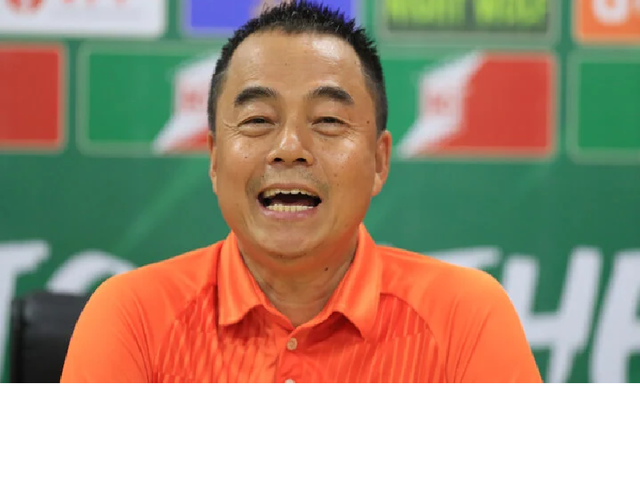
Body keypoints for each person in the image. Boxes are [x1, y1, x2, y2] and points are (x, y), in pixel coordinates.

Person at [61, 0, 542, 383]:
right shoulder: (133, 317)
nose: (289, 148)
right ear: (214, 158)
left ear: (379, 161)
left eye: (328, 120)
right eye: (258, 120)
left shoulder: (465, 317)